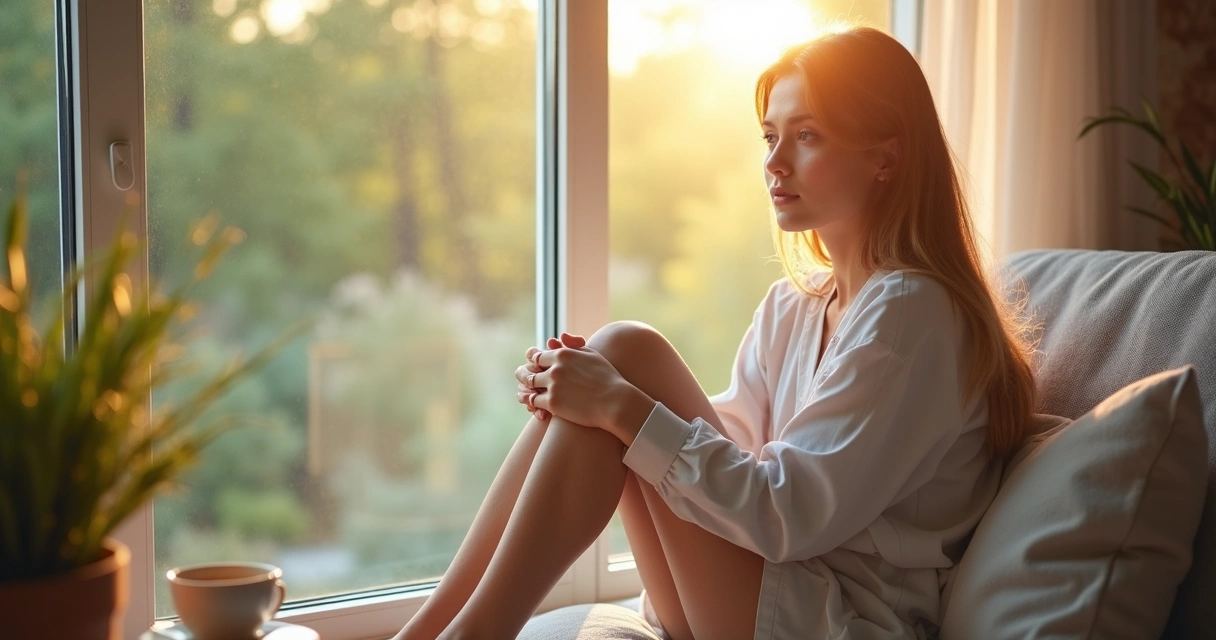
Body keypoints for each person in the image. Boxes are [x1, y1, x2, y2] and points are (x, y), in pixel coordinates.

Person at [393, 25, 1037, 640]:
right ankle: (428, 631)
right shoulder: (795, 306)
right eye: (769, 136)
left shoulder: (911, 312)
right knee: (616, 360)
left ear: (886, 158)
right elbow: (725, 452)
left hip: (835, 622)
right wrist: (580, 397)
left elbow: (788, 517)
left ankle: (473, 632)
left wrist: (618, 402)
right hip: (748, 598)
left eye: (807, 135)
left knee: (625, 358)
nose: (776, 163)